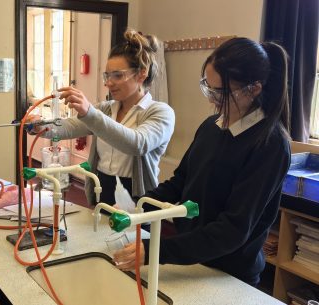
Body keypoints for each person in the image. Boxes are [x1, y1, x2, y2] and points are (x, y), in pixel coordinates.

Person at [113, 37, 291, 287]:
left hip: (229, 274)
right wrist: (136, 209)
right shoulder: (211, 126)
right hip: (193, 257)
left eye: (220, 92)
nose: (211, 100)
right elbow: (181, 181)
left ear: (254, 89)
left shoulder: (270, 145)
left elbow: (231, 230)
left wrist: (157, 250)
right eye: (208, 87)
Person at [32, 29, 175, 206]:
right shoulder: (106, 109)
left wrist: (90, 113)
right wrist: (39, 126)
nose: (108, 83)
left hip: (137, 196)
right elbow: (71, 126)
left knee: (135, 234)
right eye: (107, 76)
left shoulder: (160, 112)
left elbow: (137, 143)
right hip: (103, 188)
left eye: (118, 75)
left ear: (141, 74)